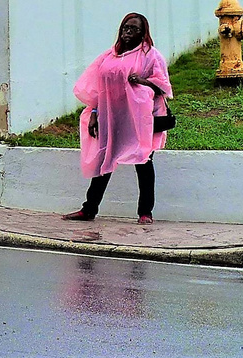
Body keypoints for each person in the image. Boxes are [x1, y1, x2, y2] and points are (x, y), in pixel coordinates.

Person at [63, 13, 173, 224]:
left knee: (143, 161)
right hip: (111, 117)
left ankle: (145, 212)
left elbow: (164, 87)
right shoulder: (109, 57)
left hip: (140, 119)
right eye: (125, 27)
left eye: (134, 29)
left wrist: (142, 80)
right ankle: (89, 210)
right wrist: (94, 112)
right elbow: (98, 89)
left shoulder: (150, 55)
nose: (128, 32)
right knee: (104, 160)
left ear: (144, 33)